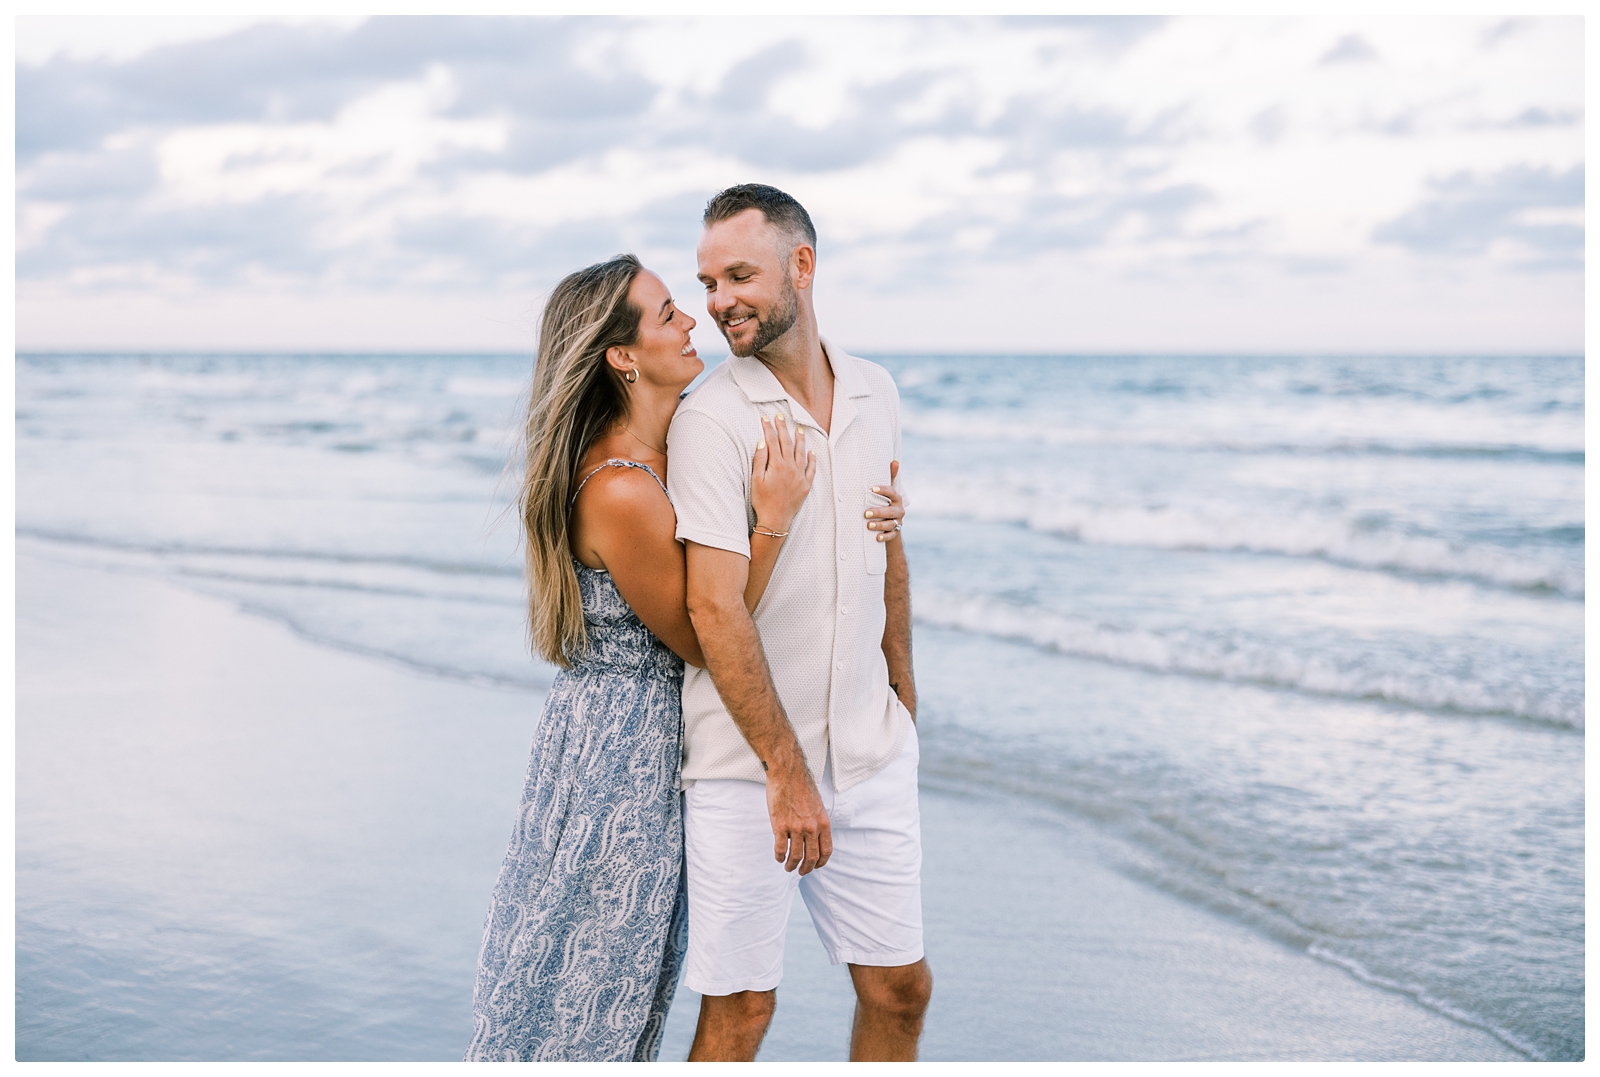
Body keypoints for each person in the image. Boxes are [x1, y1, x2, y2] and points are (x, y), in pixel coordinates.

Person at [464, 253, 904, 1061]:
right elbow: (707, 630)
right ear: (623, 357)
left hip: (653, 735)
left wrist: (870, 506)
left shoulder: (675, 453)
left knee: (630, 980)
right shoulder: (622, 487)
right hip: (621, 755)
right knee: (591, 979)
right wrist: (769, 519)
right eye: (668, 312)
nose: (691, 321)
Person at [668, 184, 931, 1062]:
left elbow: (886, 541)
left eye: (739, 274)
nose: (717, 301)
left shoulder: (875, 389)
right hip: (749, 768)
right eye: (707, 281)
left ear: (802, 268)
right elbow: (711, 606)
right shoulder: (712, 419)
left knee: (899, 988)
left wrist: (903, 689)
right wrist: (785, 772)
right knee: (741, 1009)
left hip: (870, 753)